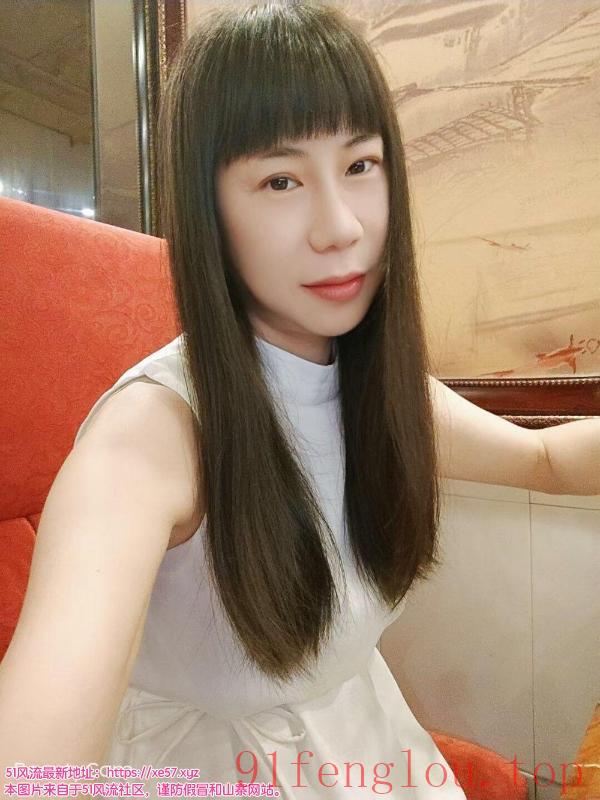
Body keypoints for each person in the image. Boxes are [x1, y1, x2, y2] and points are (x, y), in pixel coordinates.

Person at [1, 2, 597, 798]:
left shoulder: (369, 388)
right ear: (209, 211)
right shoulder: (151, 434)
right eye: (280, 180)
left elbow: (548, 459)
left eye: (360, 165)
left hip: (365, 739)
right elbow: (35, 765)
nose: (340, 227)